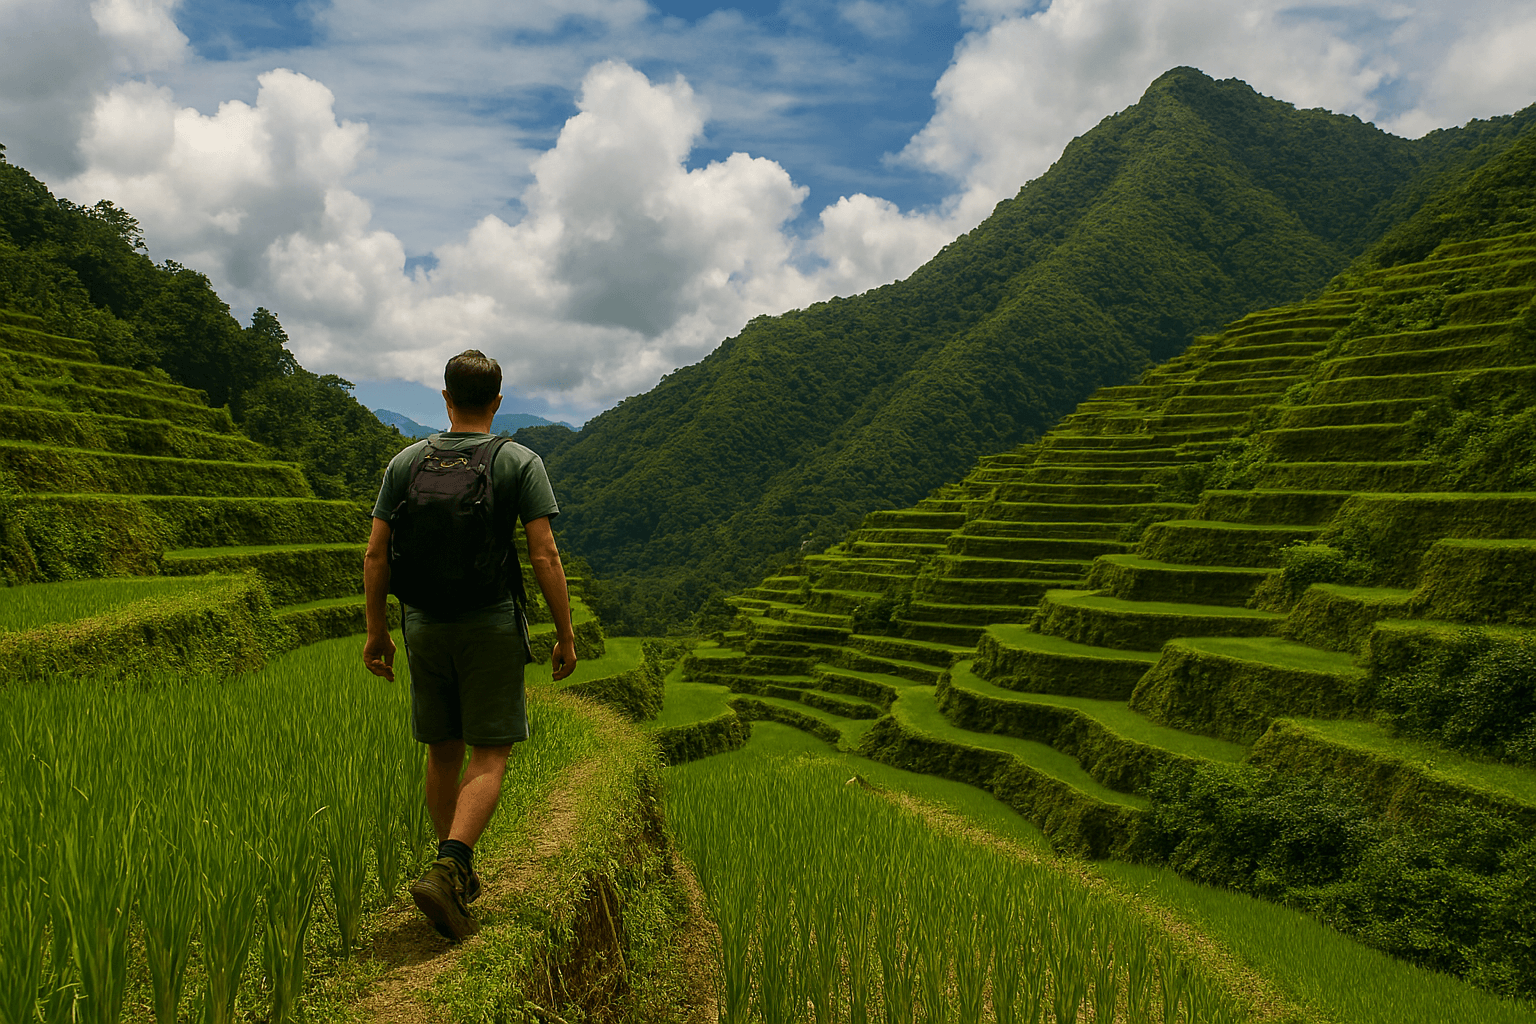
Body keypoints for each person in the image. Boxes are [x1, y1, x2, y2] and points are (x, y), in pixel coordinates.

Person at [362, 349, 578, 942]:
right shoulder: (518, 461)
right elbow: (544, 555)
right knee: (489, 753)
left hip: (423, 625)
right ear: (498, 401)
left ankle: (451, 869)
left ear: (445, 398)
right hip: (489, 623)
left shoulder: (407, 462)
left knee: (442, 751)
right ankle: (451, 865)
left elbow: (376, 553)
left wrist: (377, 630)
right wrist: (564, 634)